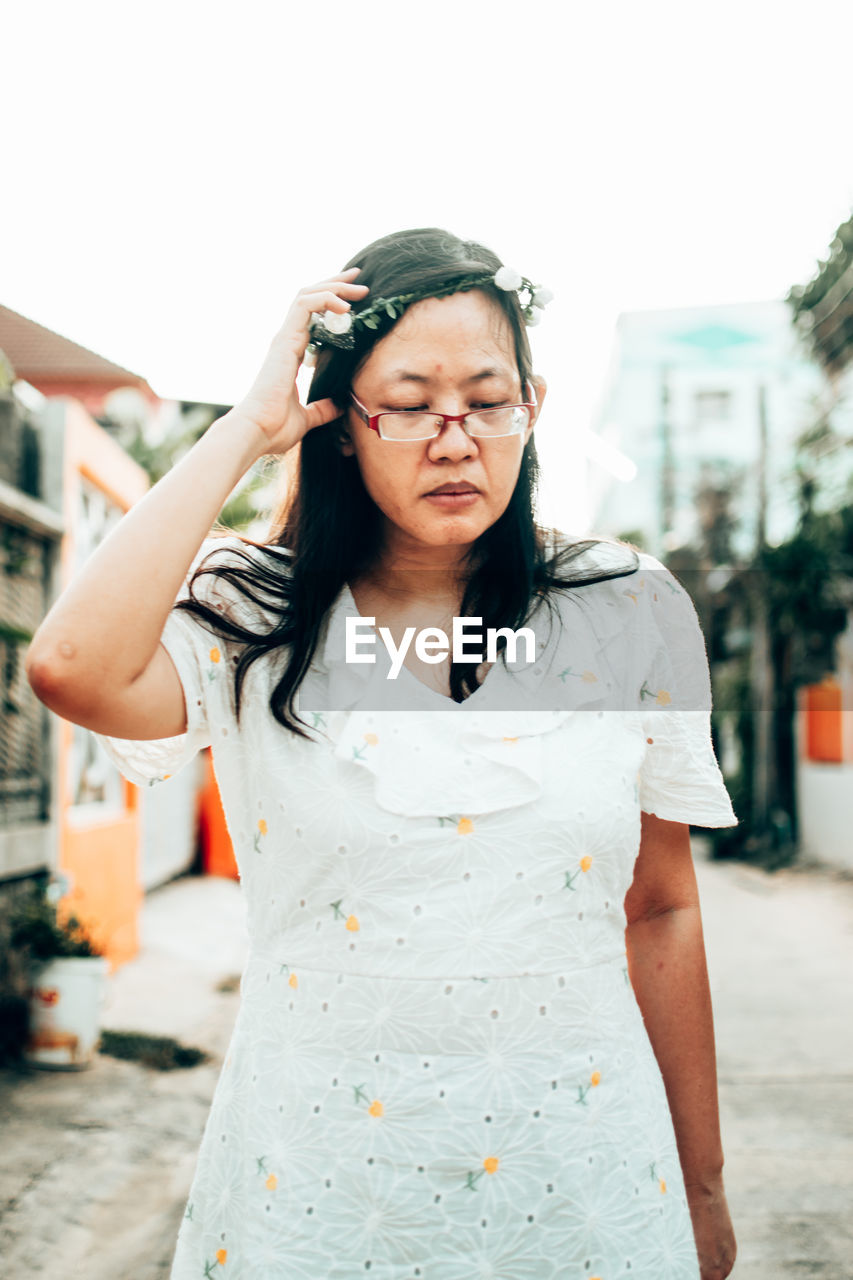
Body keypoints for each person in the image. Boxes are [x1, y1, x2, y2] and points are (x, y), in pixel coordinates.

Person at [26, 227, 738, 1279]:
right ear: (343, 425)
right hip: (313, 1198)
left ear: (530, 407)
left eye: (487, 399)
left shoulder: (624, 609)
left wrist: (701, 1188)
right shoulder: (249, 614)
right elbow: (69, 664)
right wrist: (246, 429)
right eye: (406, 402)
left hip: (587, 1194)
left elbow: (663, 905)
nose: (454, 438)